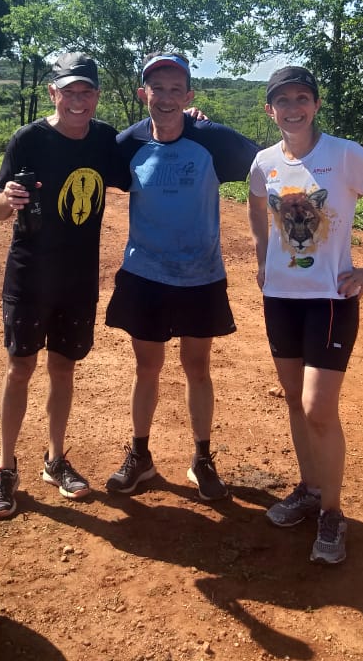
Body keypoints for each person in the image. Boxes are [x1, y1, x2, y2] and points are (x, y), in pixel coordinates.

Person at [247, 65, 363, 565]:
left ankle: (332, 513)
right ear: (270, 110)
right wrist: (262, 256)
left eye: (302, 98)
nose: (293, 108)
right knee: (295, 401)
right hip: (280, 298)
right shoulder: (264, 162)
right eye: (283, 100)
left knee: (318, 407)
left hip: (331, 300)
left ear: (316, 105)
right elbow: (255, 204)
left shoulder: (344, 155)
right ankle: (310, 488)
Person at [104, 51, 259, 501]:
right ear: (143, 94)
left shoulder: (212, 140)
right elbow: (86, 169)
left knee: (198, 368)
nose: (167, 97)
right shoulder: (127, 144)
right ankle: (140, 456)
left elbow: (269, 162)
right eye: (158, 88)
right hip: (145, 274)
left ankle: (202, 459)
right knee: (147, 367)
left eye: (176, 89)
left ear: (189, 96)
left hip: (200, 274)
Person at [0, 52, 130, 519]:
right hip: (29, 273)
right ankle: (5, 467)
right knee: (20, 368)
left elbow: (151, 144)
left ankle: (55, 459)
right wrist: (6, 199)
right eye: (69, 92)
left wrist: (191, 119)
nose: (78, 100)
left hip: (78, 276)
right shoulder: (29, 139)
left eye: (86, 91)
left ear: (97, 96)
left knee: (64, 369)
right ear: (53, 93)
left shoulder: (104, 139)